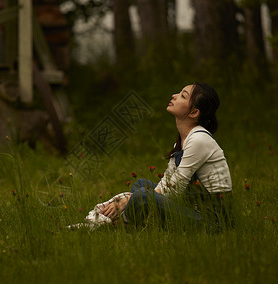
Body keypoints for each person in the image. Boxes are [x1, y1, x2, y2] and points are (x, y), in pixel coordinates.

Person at [91, 82, 233, 231]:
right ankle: (135, 223)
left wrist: (129, 199)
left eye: (183, 96)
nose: (174, 96)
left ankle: (125, 224)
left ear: (193, 112)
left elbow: (175, 189)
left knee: (142, 196)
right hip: (192, 207)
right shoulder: (185, 139)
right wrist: (134, 198)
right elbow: (168, 181)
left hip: (213, 221)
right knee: (140, 185)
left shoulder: (199, 140)